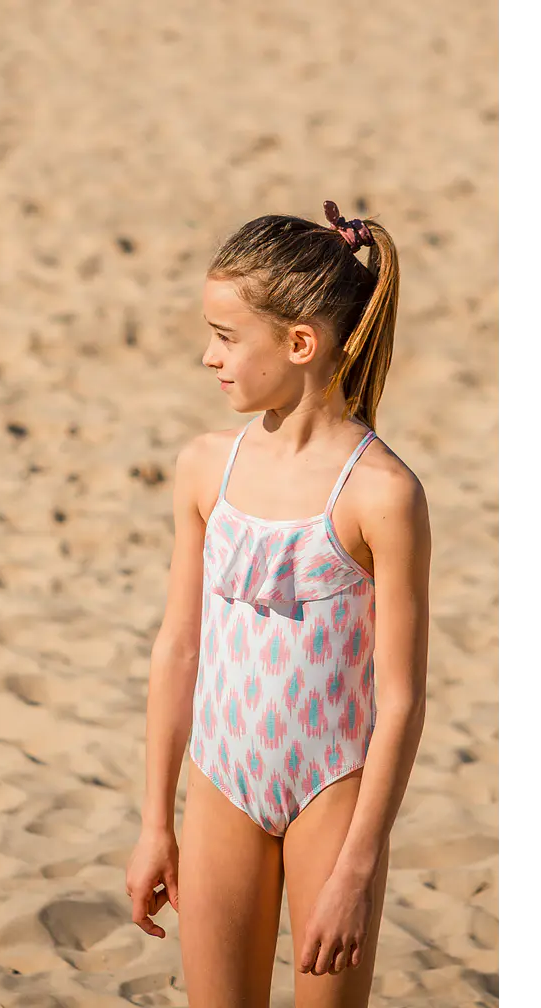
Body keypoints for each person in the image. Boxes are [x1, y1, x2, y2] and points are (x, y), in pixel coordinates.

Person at [125, 202, 430, 1008]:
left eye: (227, 338)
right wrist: (156, 822)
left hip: (333, 791)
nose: (209, 356)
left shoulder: (382, 493)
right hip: (220, 780)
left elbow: (400, 699)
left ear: (300, 343)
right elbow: (178, 648)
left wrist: (358, 868)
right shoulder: (205, 468)